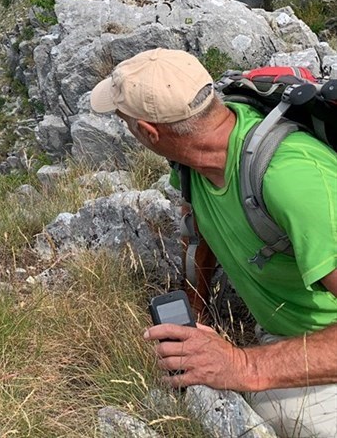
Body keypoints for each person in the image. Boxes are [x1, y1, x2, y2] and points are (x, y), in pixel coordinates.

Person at [89, 47, 337, 438]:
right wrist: (195, 308)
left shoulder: (291, 180)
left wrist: (243, 366)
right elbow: (203, 230)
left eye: (126, 124)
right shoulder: (193, 162)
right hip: (285, 336)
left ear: (149, 132)